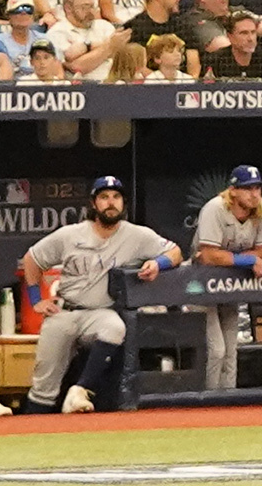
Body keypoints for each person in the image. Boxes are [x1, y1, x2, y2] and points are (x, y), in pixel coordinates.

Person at [21, 174, 173, 412]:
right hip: (66, 310)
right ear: (94, 204)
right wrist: (35, 299)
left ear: (123, 203)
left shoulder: (136, 235)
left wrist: (158, 264)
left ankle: (80, 390)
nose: (111, 202)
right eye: (104, 197)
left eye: (116, 197)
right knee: (44, 386)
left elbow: (175, 251)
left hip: (100, 312)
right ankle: (30, 430)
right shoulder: (71, 234)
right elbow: (32, 259)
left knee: (114, 327)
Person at [188, 162, 262, 393]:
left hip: (230, 283)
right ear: (233, 190)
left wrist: (229, 258)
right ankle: (208, 400)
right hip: (201, 283)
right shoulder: (215, 208)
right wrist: (246, 261)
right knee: (216, 350)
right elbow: (208, 255)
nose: (254, 194)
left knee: (231, 350)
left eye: (257, 188)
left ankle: (228, 402)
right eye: (248, 188)